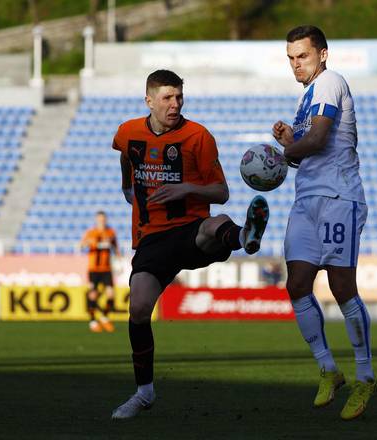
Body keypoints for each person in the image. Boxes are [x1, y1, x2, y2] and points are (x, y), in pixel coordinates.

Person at [110, 69, 270, 419]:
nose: (175, 104)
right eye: (167, 98)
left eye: (179, 97)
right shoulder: (127, 132)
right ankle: (144, 393)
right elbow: (126, 156)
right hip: (151, 238)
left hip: (190, 229)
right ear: (149, 100)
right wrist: (127, 186)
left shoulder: (198, 136)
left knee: (216, 224)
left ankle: (245, 236)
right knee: (138, 308)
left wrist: (186, 189)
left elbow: (222, 192)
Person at [272, 25, 377, 421]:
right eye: (291, 58)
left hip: (339, 198)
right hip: (307, 199)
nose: (296, 64)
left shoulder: (331, 81)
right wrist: (287, 142)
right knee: (297, 284)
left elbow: (317, 141)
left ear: (323, 54)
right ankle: (329, 369)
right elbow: (305, 149)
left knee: (341, 286)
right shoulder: (307, 96)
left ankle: (365, 374)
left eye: (302, 56)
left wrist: (283, 155)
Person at [80, 211, 120, 333]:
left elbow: (115, 246)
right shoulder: (91, 233)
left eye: (103, 219)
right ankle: (93, 321)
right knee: (92, 295)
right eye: (100, 219)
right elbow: (81, 245)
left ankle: (104, 317)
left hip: (106, 269)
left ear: (105, 220)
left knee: (110, 294)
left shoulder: (110, 232)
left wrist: (119, 258)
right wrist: (87, 243)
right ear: (96, 220)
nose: (102, 221)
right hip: (94, 269)